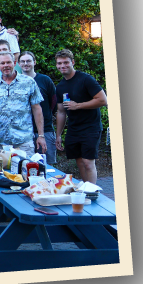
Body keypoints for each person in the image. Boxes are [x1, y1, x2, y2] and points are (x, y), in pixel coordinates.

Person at [55, 49, 107, 184]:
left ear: (72, 62)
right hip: (73, 129)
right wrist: (58, 135)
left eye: (66, 62)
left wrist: (78, 106)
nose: (62, 66)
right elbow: (61, 112)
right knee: (79, 162)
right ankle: (86, 190)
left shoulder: (86, 79)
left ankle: (92, 192)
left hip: (91, 127)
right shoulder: (60, 86)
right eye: (59, 63)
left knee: (88, 162)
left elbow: (103, 100)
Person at [0, 52, 46, 156]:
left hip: (23, 141)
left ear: (14, 63)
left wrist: (41, 135)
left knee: (24, 171)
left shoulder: (29, 82)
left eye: (8, 62)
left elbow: (37, 109)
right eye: (2, 63)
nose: (6, 65)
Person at [20, 51, 58, 164]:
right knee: (26, 166)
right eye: (22, 61)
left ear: (34, 62)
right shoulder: (16, 82)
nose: (25, 63)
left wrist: (46, 114)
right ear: (18, 64)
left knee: (47, 166)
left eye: (29, 61)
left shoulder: (45, 80)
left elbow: (54, 102)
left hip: (44, 130)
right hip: (23, 132)